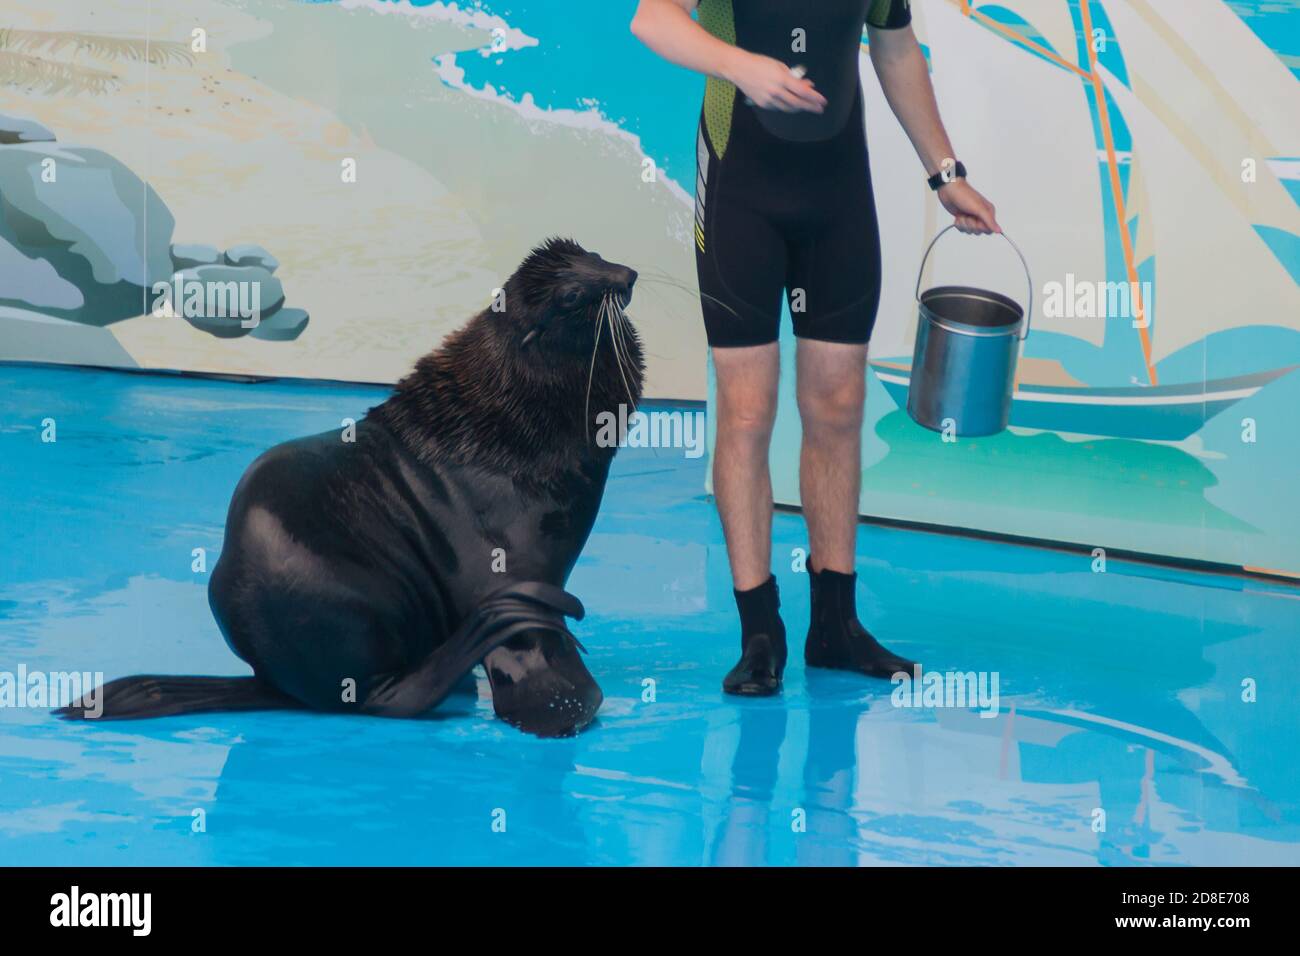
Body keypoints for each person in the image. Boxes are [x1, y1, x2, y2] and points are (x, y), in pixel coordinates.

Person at [631, 0, 1001, 695]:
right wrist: (742, 68)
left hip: (835, 191)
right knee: (747, 411)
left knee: (837, 403)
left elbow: (893, 48)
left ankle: (835, 625)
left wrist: (945, 173)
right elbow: (652, 19)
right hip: (740, 188)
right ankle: (759, 634)